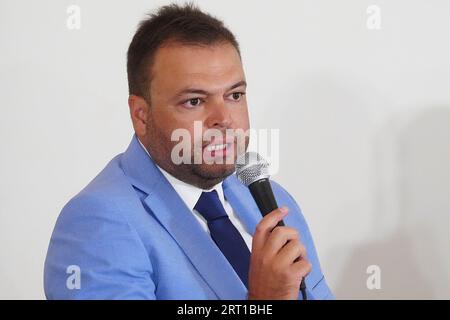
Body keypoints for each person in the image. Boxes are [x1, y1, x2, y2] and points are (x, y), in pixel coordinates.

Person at [44, 3, 334, 300]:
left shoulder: (273, 202)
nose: (224, 118)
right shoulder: (96, 223)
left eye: (234, 95)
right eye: (194, 101)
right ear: (142, 115)